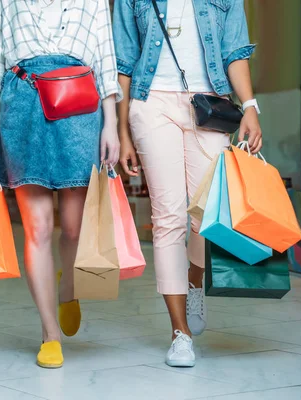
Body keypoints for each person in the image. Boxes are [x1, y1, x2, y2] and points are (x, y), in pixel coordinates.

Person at [113, 0, 261, 367]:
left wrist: (251, 106)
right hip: (151, 105)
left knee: (205, 214)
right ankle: (180, 333)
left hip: (211, 104)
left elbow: (235, 50)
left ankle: (195, 281)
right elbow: (124, 64)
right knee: (168, 218)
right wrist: (122, 133)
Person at [0, 0, 121, 368]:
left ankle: (67, 288)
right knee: (37, 229)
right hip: (23, 105)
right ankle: (49, 333)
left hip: (79, 105)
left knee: (73, 228)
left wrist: (112, 125)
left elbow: (106, 58)